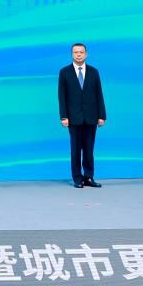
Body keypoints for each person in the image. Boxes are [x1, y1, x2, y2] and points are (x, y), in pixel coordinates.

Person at [57, 42, 105, 188]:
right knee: (75, 150)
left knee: (89, 150)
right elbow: (62, 96)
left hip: (91, 117)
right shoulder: (64, 72)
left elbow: (99, 94)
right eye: (76, 52)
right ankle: (77, 178)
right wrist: (64, 116)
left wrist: (101, 115)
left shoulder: (93, 72)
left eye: (81, 52)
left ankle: (89, 177)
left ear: (86, 54)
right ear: (72, 54)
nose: (78, 54)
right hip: (73, 118)